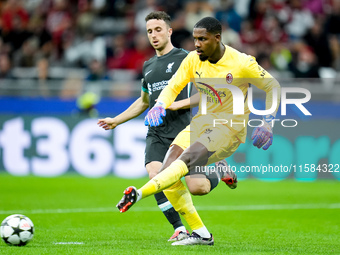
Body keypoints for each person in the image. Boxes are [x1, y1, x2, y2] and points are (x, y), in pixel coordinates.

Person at [117, 17, 281, 245]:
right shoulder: (193, 60)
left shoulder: (242, 62)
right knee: (172, 177)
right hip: (201, 124)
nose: (197, 44)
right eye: (195, 39)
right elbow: (173, 86)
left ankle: (138, 194)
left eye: (202, 39)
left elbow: (273, 86)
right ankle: (201, 233)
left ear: (217, 38)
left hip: (229, 128)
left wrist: (268, 121)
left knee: (181, 163)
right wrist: (161, 104)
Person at [98, 11, 213, 242]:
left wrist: (171, 105)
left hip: (183, 131)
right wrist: (116, 120)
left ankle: (219, 170)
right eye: (149, 31)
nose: (154, 35)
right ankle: (180, 229)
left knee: (198, 187)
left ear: (169, 31)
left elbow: (204, 94)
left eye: (158, 29)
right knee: (156, 175)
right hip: (157, 134)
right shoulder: (148, 66)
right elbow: (143, 101)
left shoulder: (186, 58)